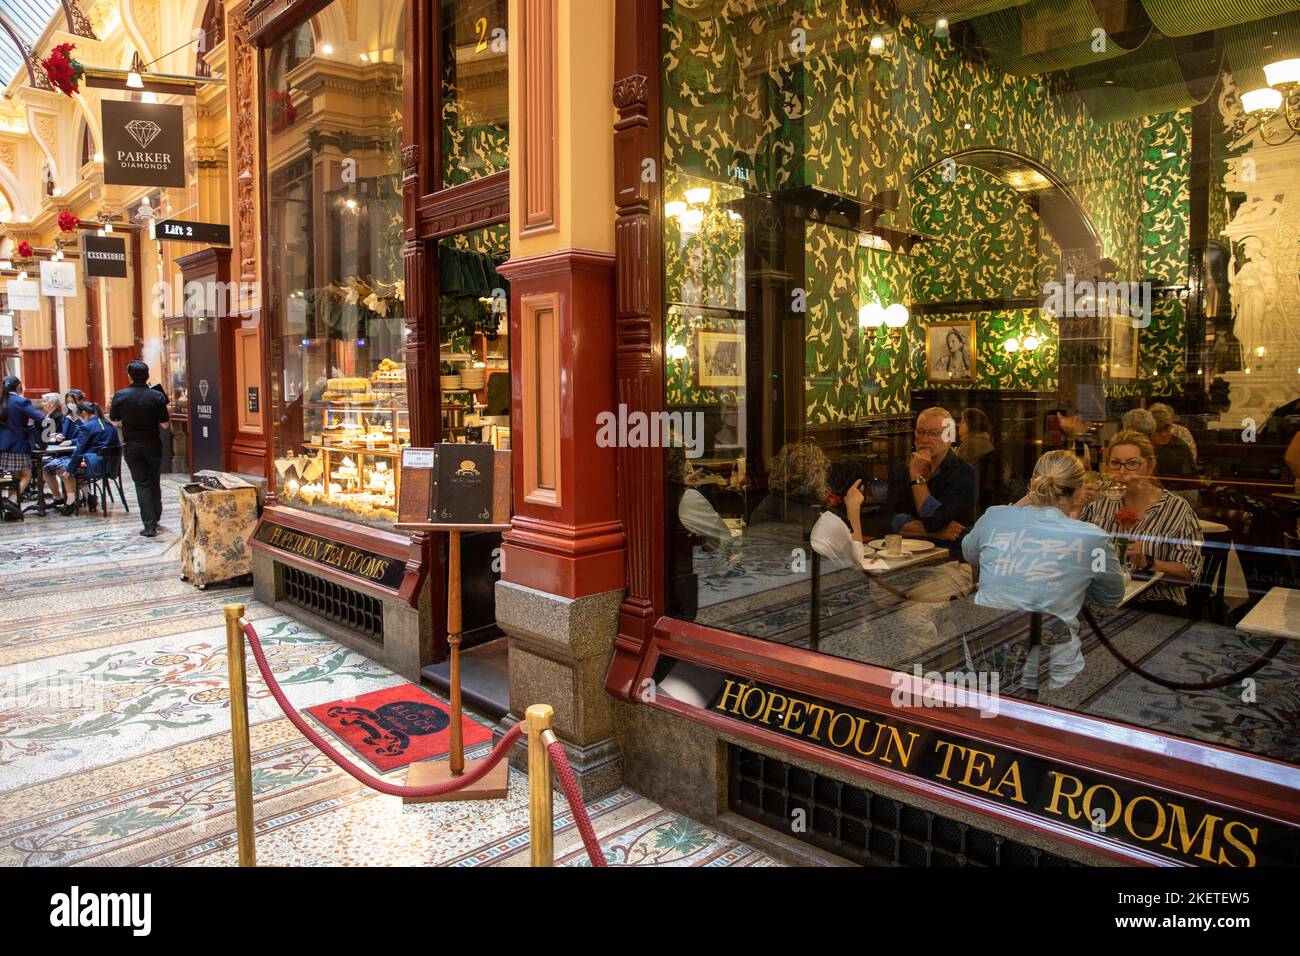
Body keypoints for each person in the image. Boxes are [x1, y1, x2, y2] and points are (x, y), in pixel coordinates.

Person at [962, 450, 1125, 687]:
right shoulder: (1092, 538)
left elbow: (970, 554)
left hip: (983, 666)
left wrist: (1021, 504)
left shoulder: (994, 517)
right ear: (1080, 491)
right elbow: (1111, 596)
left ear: (1032, 484)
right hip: (1053, 678)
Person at [1081, 430, 1203, 609]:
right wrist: (1076, 504)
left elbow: (1189, 573)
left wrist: (1147, 562)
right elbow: (1069, 544)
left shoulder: (1176, 509)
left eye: (1132, 464)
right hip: (1101, 597)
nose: (1122, 472)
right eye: (1115, 463)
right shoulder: (1100, 499)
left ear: (1150, 465)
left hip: (1155, 602)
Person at [883, 406, 975, 541]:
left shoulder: (965, 474)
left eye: (933, 434)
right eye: (920, 432)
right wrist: (935, 533)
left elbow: (934, 521)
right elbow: (885, 518)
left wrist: (916, 477)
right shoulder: (901, 469)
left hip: (948, 553)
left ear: (949, 436)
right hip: (904, 549)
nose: (924, 440)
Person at [109, 360, 170, 537]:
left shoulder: (121, 396)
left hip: (132, 446)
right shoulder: (157, 396)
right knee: (154, 480)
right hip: (153, 445)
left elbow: (114, 420)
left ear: (129, 375)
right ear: (147, 375)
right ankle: (156, 515)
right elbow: (165, 425)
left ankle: (149, 525)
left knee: (141, 483)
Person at [57, 401, 121, 514]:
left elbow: (78, 451)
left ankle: (71, 502)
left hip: (94, 467)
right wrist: (71, 441)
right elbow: (93, 438)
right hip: (111, 466)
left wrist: (69, 470)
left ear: (85, 413)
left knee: (62, 469)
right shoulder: (108, 424)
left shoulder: (86, 426)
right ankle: (89, 497)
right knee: (73, 468)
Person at [0, 375, 46, 505]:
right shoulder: (20, 401)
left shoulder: (2, 400)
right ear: (19, 386)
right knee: (27, 475)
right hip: (18, 444)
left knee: (15, 477)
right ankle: (11, 501)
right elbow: (40, 418)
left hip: (3, 445)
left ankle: (12, 507)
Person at [956, 408, 1004, 510]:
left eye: (963, 422)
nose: (958, 425)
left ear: (972, 424)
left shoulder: (970, 446)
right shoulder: (985, 443)